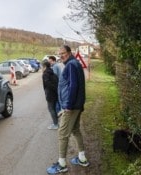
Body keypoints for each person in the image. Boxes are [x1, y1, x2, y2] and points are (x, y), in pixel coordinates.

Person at [46, 45, 89, 174]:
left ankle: (62, 164)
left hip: (71, 106)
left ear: (70, 53)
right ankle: (82, 158)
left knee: (62, 134)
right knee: (75, 130)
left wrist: (68, 106)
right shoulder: (75, 64)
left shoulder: (71, 65)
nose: (61, 56)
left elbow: (73, 86)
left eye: (63, 53)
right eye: (59, 54)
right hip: (77, 105)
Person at [42, 61, 59, 130]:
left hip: (50, 94)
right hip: (55, 93)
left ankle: (55, 124)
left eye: (42, 66)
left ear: (45, 66)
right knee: (53, 108)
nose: (41, 68)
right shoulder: (53, 73)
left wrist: (48, 92)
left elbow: (47, 84)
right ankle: (56, 122)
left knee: (51, 109)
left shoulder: (45, 74)